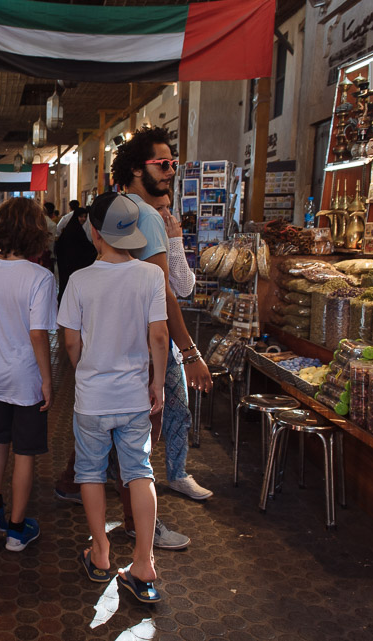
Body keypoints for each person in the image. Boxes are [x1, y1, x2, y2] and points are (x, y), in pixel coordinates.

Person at [58, 191, 167, 603]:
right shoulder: (150, 276)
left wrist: (86, 367)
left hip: (92, 399)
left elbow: (70, 343)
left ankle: (101, 555)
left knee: (90, 472)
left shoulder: (80, 280)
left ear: (95, 232)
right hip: (134, 396)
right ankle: (143, 563)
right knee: (139, 471)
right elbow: (159, 334)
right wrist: (155, 382)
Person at [112, 126, 213, 509]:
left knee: (126, 424)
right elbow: (166, 292)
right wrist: (189, 352)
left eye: (173, 163)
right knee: (144, 428)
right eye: (163, 163)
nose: (171, 169)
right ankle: (141, 526)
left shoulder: (116, 209)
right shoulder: (149, 218)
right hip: (149, 341)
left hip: (120, 337)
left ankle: (80, 482)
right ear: (139, 168)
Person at [0, 198, 57, 552]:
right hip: (25, 377)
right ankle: (16, 530)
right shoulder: (40, 277)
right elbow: (38, 333)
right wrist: (48, 379)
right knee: (25, 451)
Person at [53, 207, 96, 306]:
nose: (83, 219)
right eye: (81, 216)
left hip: (67, 264)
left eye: (85, 217)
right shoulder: (75, 230)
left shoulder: (73, 229)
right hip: (70, 264)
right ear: (76, 216)